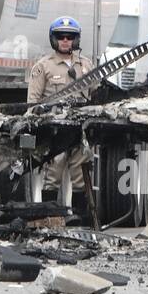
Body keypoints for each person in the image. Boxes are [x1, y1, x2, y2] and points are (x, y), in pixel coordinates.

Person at [28, 16, 93, 210]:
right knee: (52, 177)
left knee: (81, 178)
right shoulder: (43, 66)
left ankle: (81, 223)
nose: (65, 40)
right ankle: (50, 221)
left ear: (76, 39)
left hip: (80, 130)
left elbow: (97, 95)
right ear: (53, 39)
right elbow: (32, 103)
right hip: (54, 132)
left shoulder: (86, 66)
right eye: (61, 36)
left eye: (70, 37)